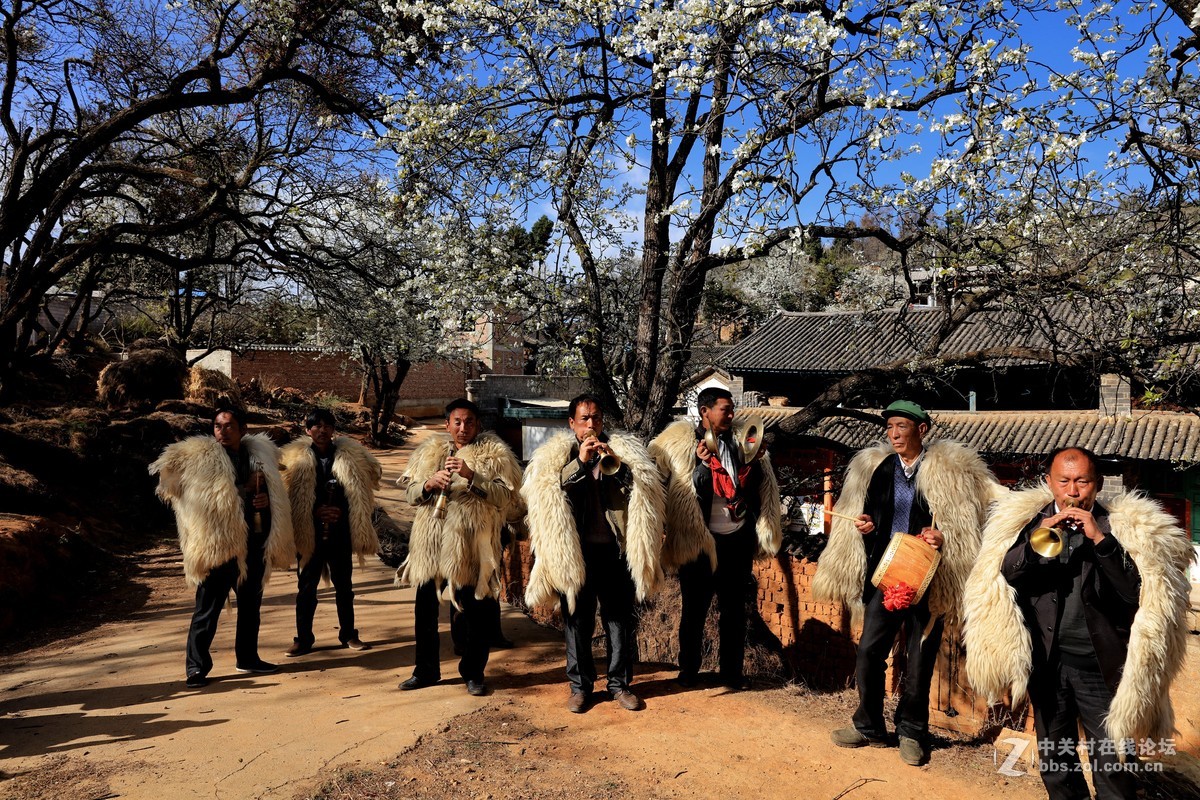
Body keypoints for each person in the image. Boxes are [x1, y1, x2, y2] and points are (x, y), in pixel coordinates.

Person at [965, 447, 1191, 799]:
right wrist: (1034, 540)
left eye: (1082, 482)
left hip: (1100, 666)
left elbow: (1133, 594)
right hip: (1047, 662)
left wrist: (1099, 540)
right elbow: (1007, 573)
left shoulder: (1119, 528)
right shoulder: (1027, 522)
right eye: (1064, 481)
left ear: (1097, 485)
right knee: (1057, 762)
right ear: (1049, 483)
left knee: (1114, 764)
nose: (1073, 491)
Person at [813, 400, 997, 766]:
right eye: (890, 427)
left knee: (919, 661)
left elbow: (965, 524)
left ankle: (912, 731)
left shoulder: (946, 473)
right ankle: (868, 724)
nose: (894, 434)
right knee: (868, 652)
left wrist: (944, 537)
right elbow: (873, 520)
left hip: (929, 579)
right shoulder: (881, 470)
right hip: (887, 574)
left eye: (902, 427)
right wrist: (866, 527)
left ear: (922, 430)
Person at [522, 394, 665, 713]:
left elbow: (642, 491)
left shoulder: (621, 453)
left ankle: (619, 685)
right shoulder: (556, 458)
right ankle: (580, 687)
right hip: (576, 554)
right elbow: (549, 492)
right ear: (571, 423)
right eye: (584, 419)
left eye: (596, 418)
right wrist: (580, 464)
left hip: (616, 552)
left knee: (619, 622)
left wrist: (618, 465)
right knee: (577, 622)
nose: (591, 425)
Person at [150, 406, 294, 689]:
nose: (223, 431)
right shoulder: (202, 460)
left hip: (254, 541)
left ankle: (248, 658)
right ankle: (196, 667)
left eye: (229, 426)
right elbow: (194, 496)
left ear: (243, 429)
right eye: (218, 426)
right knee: (207, 609)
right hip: (218, 545)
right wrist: (244, 489)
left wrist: (263, 502)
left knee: (251, 605)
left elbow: (273, 495)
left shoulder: (259, 456)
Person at [648, 387, 782, 691]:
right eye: (725, 408)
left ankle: (731, 673)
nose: (731, 414)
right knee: (694, 611)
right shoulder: (682, 447)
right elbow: (683, 491)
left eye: (732, 409)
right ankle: (689, 671)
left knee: (733, 612)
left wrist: (757, 463)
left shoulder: (739, 444)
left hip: (736, 540)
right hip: (699, 542)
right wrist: (701, 464)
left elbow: (754, 490)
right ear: (705, 411)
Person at [396, 399, 523, 696]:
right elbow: (410, 495)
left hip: (469, 546)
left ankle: (473, 673)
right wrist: (428, 484)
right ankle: (425, 671)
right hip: (431, 544)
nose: (463, 428)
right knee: (425, 612)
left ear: (478, 425)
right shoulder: (429, 452)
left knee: (475, 613)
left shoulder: (495, 454)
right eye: (457, 422)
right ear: (447, 424)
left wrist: (471, 476)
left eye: (469, 422)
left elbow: (505, 498)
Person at [280, 408, 382, 656]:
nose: (322, 430)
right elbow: (286, 495)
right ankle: (303, 639)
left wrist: (341, 512)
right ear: (308, 430)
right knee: (306, 589)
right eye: (316, 426)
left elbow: (369, 481)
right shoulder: (294, 459)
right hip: (308, 533)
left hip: (340, 532)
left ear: (333, 430)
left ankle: (348, 634)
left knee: (344, 587)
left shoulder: (351, 456)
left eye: (327, 426)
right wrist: (314, 512)